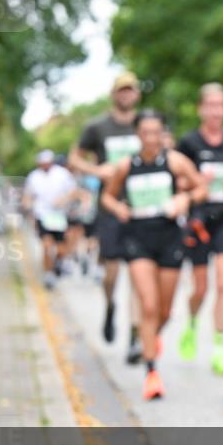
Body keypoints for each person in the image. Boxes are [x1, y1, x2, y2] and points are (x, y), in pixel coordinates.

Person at [101, 110, 207, 400]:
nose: (151, 138)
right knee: (148, 306)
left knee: (164, 310)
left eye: (156, 132)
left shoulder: (174, 162)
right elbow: (107, 196)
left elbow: (201, 188)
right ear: (137, 135)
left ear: (162, 133)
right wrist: (118, 207)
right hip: (138, 239)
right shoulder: (126, 166)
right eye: (145, 133)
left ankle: (150, 338)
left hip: (170, 237)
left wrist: (184, 198)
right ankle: (151, 371)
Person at [69, 72, 144, 361]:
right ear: (114, 94)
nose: (125, 95)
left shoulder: (145, 125)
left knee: (139, 271)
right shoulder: (97, 127)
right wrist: (97, 171)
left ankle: (135, 337)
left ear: (136, 94)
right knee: (112, 270)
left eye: (130, 91)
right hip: (110, 206)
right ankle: (111, 305)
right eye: (121, 91)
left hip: (140, 207)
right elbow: (75, 157)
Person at [176, 83, 223, 376]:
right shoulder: (189, 143)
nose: (216, 111)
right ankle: (191, 323)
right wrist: (196, 181)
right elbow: (175, 181)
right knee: (200, 289)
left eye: (220, 105)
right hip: (201, 219)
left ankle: (219, 348)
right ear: (201, 108)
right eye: (210, 105)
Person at [23, 150, 76, 289]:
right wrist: (28, 207)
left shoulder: (62, 174)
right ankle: (48, 274)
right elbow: (28, 195)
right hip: (42, 215)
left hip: (59, 216)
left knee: (60, 248)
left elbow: (73, 192)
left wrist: (63, 200)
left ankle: (58, 263)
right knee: (46, 245)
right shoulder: (33, 177)